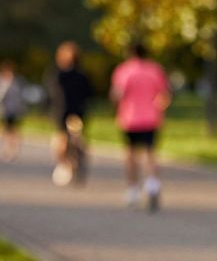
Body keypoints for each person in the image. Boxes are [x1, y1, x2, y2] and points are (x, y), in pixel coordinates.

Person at [110, 42, 171, 211]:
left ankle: (133, 188)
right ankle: (152, 183)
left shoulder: (124, 70)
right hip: (151, 118)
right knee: (150, 153)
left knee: (130, 154)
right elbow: (164, 95)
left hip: (129, 118)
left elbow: (117, 94)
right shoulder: (155, 70)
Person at [46, 41, 95, 185]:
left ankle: (68, 164)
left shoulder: (58, 74)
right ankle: (71, 163)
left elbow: (52, 94)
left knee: (66, 139)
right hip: (71, 112)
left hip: (67, 112)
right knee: (70, 139)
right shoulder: (77, 75)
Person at [0, 60, 26, 162]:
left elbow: (22, 96)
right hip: (6, 110)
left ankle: (14, 148)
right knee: (7, 130)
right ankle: (7, 148)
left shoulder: (18, 82)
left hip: (15, 110)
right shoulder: (2, 81)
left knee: (14, 130)